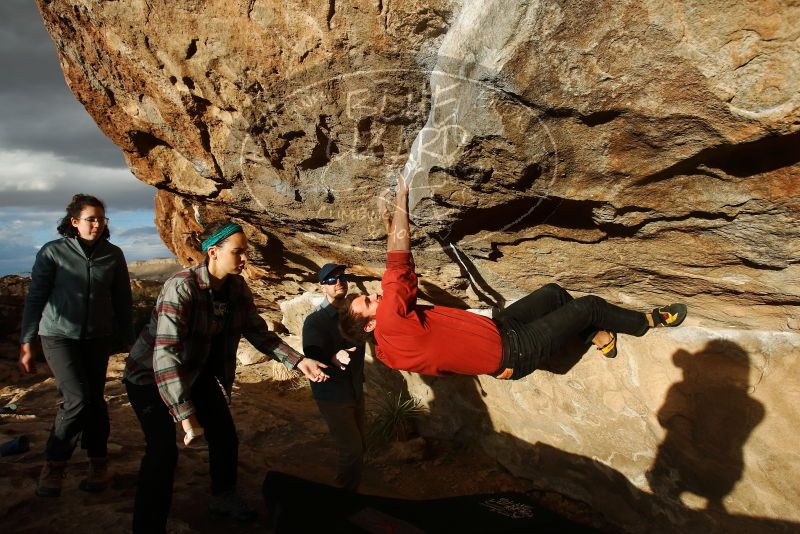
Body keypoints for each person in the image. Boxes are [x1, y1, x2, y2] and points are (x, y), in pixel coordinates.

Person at [339, 175, 688, 380]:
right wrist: (402, 202)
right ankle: (649, 321)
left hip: (500, 330)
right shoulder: (391, 322)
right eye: (368, 302)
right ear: (370, 326)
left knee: (553, 293)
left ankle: (598, 336)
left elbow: (427, 333)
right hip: (514, 353)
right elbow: (398, 261)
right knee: (591, 305)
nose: (375, 297)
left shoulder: (388, 351)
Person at [123, 221, 331, 533]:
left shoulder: (236, 289)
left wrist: (299, 362)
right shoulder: (182, 287)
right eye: (238, 252)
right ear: (213, 252)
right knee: (162, 452)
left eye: (245, 251)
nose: (245, 258)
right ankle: (148, 525)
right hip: (149, 377)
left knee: (224, 436)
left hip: (197, 372)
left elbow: (260, 334)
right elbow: (165, 356)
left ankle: (222, 497)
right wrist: (184, 414)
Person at [19, 193, 134, 497]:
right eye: (90, 219)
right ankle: (54, 464)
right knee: (78, 399)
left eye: (101, 219)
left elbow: (123, 300)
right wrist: (27, 341)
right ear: (74, 222)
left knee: (95, 401)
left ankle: (98, 462)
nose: (97, 224)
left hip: (98, 338)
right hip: (58, 336)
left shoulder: (113, 254)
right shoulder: (53, 252)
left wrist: (131, 341)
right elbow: (36, 298)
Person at [302, 263, 366, 492]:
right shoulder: (315, 321)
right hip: (332, 394)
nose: (338, 282)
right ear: (322, 287)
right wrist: (333, 357)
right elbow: (311, 357)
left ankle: (351, 491)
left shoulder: (353, 315)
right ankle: (344, 498)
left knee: (360, 445)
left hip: (355, 389)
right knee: (351, 449)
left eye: (342, 277)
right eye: (330, 280)